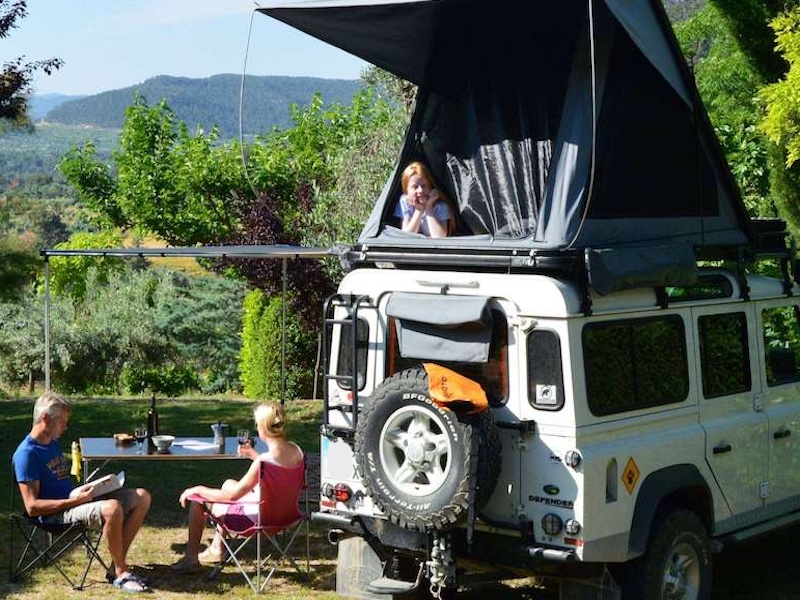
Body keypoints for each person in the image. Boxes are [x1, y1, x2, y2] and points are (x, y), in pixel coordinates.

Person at [12, 391, 152, 593]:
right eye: (61, 422)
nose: (65, 426)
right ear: (44, 419)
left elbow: (60, 485)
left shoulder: (51, 443)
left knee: (141, 497)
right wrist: (75, 501)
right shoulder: (26, 454)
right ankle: (122, 573)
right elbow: (33, 508)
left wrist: (83, 491)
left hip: (73, 501)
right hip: (55, 517)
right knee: (112, 508)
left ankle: (114, 566)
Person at [171, 401, 304, 571]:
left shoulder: (263, 462)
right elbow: (275, 468)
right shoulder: (296, 450)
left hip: (258, 520)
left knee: (199, 501)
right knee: (229, 484)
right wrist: (254, 455)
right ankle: (217, 548)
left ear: (262, 428)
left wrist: (197, 490)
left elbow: (232, 497)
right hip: (286, 515)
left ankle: (191, 558)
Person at [395, 161, 455, 237]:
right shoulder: (405, 202)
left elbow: (439, 237)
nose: (420, 190)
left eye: (424, 186)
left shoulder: (441, 206)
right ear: (407, 190)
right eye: (415, 187)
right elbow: (406, 236)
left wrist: (428, 207)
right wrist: (419, 210)